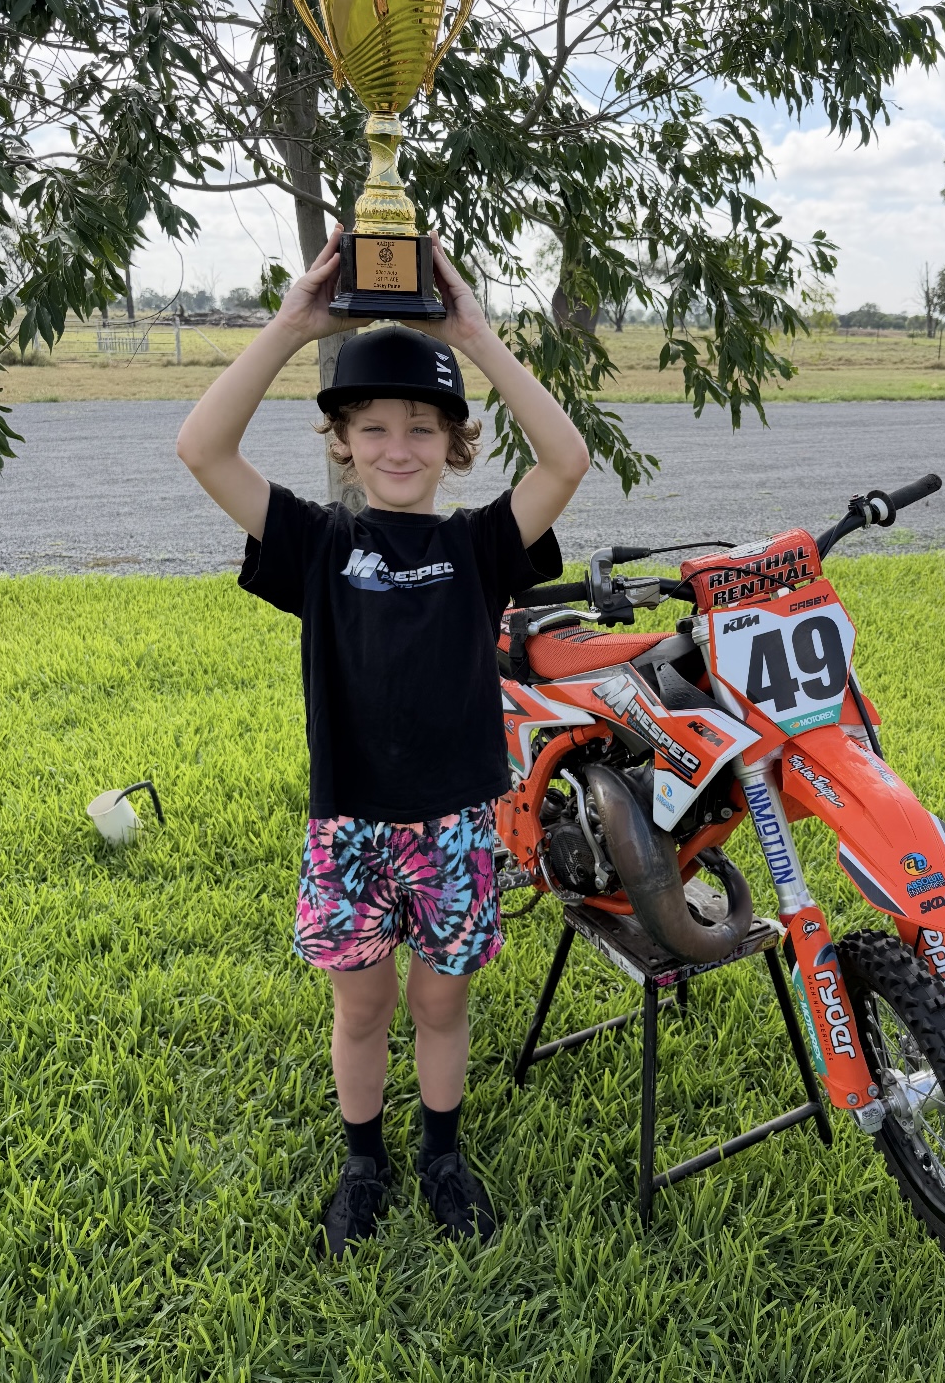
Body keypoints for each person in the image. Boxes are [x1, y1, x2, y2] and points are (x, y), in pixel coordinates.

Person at [176, 224, 589, 1256]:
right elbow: (203, 449)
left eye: (420, 428)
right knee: (362, 1012)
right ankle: (365, 1160)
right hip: (350, 827)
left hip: (453, 825)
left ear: (454, 445)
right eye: (373, 429)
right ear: (342, 442)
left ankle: (442, 1152)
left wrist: (477, 336)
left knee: (441, 1007)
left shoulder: (478, 546)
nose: (397, 447)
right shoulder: (318, 544)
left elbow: (567, 457)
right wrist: (291, 325)